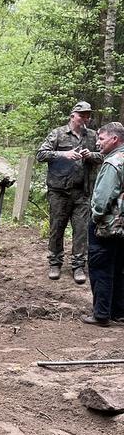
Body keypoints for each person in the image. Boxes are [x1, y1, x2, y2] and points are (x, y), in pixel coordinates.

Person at [36, 101, 102, 284]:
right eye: (82, 115)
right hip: (59, 191)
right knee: (56, 228)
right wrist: (63, 155)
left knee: (81, 230)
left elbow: (102, 156)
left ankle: (78, 266)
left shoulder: (92, 136)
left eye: (88, 115)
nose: (85, 118)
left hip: (82, 192)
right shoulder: (58, 134)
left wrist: (91, 155)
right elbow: (41, 154)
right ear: (72, 115)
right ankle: (55, 263)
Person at [82, 121, 124, 326]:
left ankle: (101, 314)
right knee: (120, 268)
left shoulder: (113, 163)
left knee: (101, 267)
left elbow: (102, 199)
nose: (98, 143)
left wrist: (95, 217)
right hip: (122, 225)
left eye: (101, 139)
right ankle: (119, 311)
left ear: (114, 139)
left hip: (108, 225)